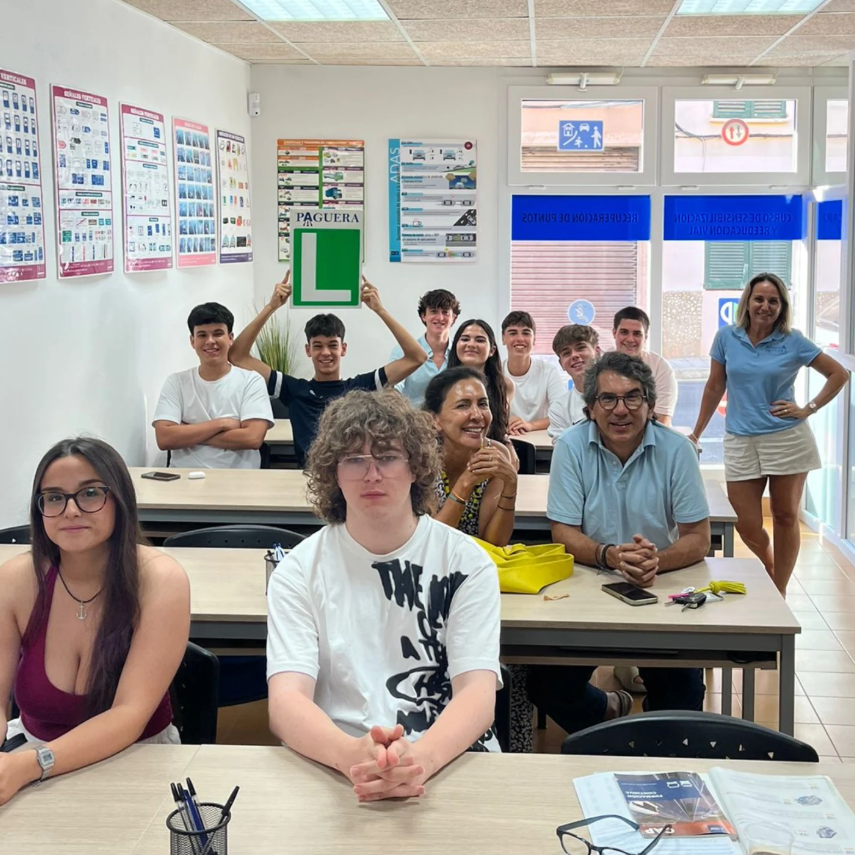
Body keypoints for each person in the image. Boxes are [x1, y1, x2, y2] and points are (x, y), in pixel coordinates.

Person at [266, 390, 502, 803]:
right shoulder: (298, 571)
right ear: (333, 474)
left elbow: (477, 694)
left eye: (388, 457)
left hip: (448, 758)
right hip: (333, 762)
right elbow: (286, 701)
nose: (371, 474)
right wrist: (350, 756)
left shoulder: (466, 562)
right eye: (354, 460)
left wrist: (420, 761)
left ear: (416, 467)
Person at [0, 438, 190, 806]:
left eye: (89, 494)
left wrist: (32, 765)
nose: (70, 510)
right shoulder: (15, 580)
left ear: (119, 499)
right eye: (54, 498)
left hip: (137, 759)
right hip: (28, 762)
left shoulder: (161, 579)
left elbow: (129, 715)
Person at [539, 352, 711, 734]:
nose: (621, 410)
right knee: (544, 681)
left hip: (661, 590)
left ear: (650, 405)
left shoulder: (677, 450)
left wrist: (655, 562)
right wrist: (610, 556)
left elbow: (699, 538)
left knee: (682, 698)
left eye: (632, 398)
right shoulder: (570, 447)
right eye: (608, 399)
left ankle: (654, 731)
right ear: (590, 407)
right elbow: (562, 532)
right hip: (588, 586)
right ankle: (605, 716)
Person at [690, 273, 848, 594]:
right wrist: (695, 434)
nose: (765, 306)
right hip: (740, 439)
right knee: (746, 523)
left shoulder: (794, 340)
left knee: (785, 516)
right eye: (759, 299)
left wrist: (809, 407)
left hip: (787, 439)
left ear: (782, 306)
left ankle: (780, 589)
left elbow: (839, 373)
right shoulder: (726, 337)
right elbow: (714, 386)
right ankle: (771, 564)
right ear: (747, 302)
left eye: (773, 301)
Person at [230, 272, 427, 467]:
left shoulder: (361, 388)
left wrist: (380, 310)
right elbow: (237, 355)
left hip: (352, 476)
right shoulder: (294, 390)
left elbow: (417, 357)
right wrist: (271, 307)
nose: (325, 352)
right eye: (317, 346)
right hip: (308, 477)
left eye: (333, 345)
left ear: (343, 349)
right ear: (308, 350)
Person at [153, 302, 274, 469]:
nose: (210, 341)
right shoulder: (176, 382)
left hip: (239, 482)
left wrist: (187, 432)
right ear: (192, 341)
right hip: (183, 482)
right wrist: (222, 424)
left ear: (230, 338)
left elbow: (252, 438)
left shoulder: (251, 381)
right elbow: (164, 438)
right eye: (202, 335)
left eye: (218, 334)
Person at [423, 367, 518, 548]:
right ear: (434, 420)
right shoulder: (422, 459)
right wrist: (466, 483)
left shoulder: (495, 454)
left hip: (476, 562)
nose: (477, 415)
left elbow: (494, 543)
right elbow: (433, 543)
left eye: (483, 404)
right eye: (463, 405)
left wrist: (511, 485)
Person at [501, 311, 568, 435]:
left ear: (534, 340)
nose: (520, 339)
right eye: (513, 333)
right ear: (503, 338)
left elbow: (562, 413)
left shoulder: (548, 371)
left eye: (526, 333)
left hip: (540, 443)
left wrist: (530, 425)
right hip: (507, 439)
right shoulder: (495, 372)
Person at [392, 288, 460, 407]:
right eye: (434, 311)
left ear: (453, 318)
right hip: (414, 421)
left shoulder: (460, 351)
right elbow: (393, 387)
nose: (440, 318)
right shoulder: (403, 351)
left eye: (445, 312)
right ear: (423, 316)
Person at [448, 319, 513, 443]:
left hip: (490, 453)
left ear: (492, 350)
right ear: (456, 345)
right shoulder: (441, 385)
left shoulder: (505, 386)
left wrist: (507, 445)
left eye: (480, 340)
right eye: (465, 339)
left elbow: (500, 429)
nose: (471, 344)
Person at [612, 307, 678, 427]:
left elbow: (662, 420)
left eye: (637, 333)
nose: (630, 339)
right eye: (624, 332)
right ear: (614, 333)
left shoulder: (661, 368)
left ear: (645, 337)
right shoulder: (601, 365)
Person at [547, 324, 601, 442]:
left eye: (581, 348)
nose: (574, 355)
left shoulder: (621, 395)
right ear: (561, 364)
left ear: (597, 351)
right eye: (566, 353)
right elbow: (565, 452)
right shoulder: (559, 409)